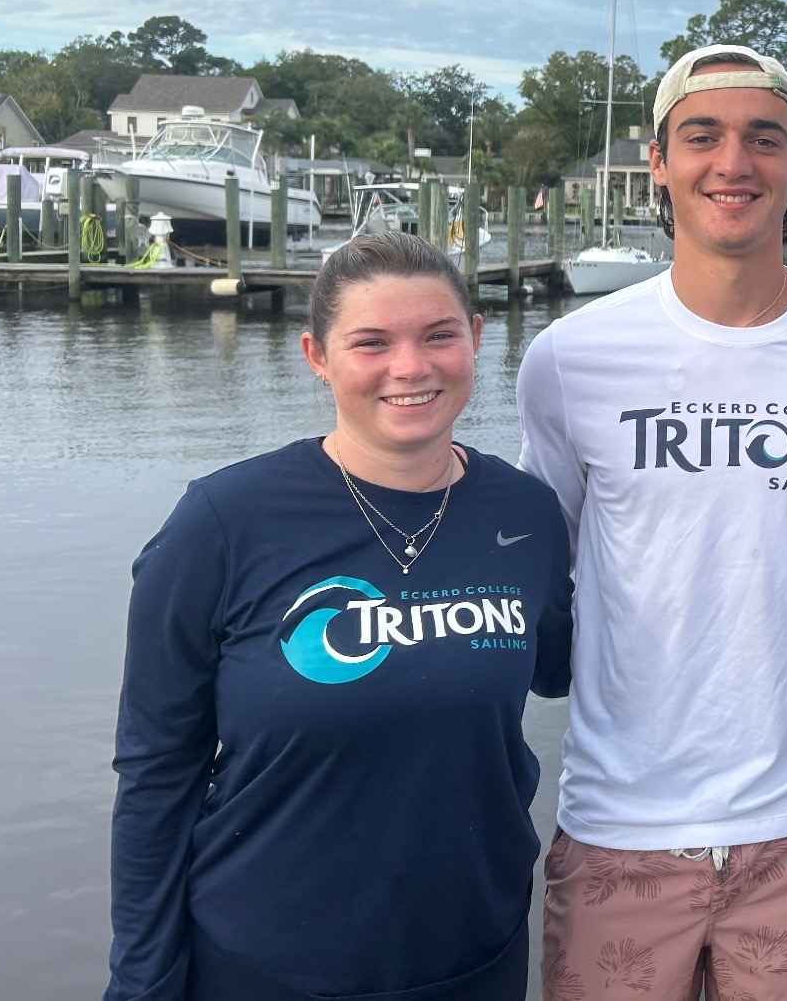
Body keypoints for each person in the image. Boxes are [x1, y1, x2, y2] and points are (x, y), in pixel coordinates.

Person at [517, 44, 787, 1001]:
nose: (733, 163)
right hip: (619, 823)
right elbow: (534, 571)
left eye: (763, 139)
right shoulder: (571, 358)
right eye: (702, 136)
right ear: (657, 161)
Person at [105, 231, 573, 1001]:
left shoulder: (525, 514)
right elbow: (158, 770)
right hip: (266, 963)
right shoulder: (224, 522)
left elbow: (560, 664)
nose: (411, 367)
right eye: (371, 343)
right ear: (316, 355)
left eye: (438, 336)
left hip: (474, 951)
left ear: (476, 339)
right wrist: (143, 983)